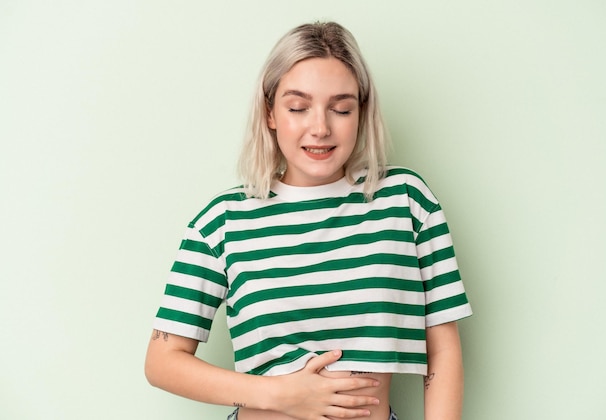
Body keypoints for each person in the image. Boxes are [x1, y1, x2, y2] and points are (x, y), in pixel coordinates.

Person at [145, 21, 472, 420]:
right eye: (298, 107)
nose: (320, 128)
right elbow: (162, 361)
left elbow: (443, 347)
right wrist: (280, 394)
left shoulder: (406, 201)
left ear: (361, 113)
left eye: (341, 109)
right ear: (270, 113)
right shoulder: (223, 221)